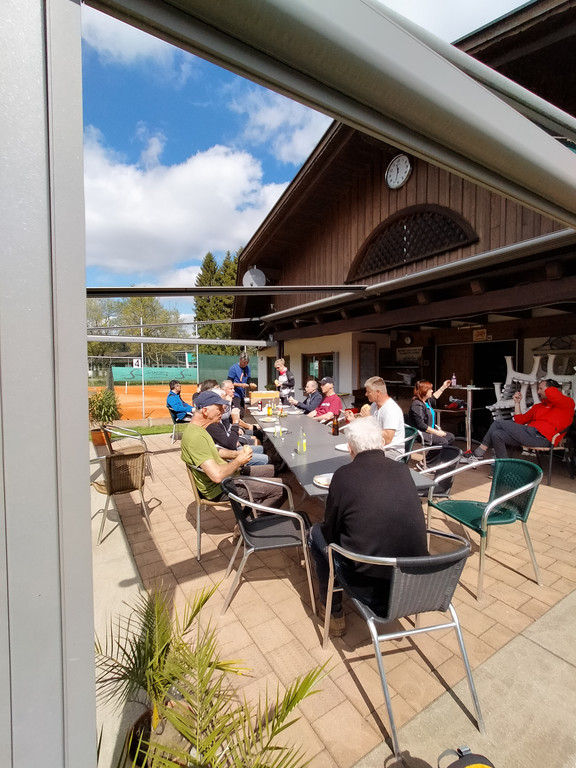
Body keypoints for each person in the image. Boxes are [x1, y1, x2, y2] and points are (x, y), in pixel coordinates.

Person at [309, 417, 428, 636]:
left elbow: (330, 531)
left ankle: (333, 612)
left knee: (316, 533)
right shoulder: (402, 470)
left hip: (368, 587)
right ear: (381, 443)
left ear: (350, 448)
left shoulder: (343, 475)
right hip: (414, 580)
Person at [181, 390, 284, 507]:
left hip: (229, 476)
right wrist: (239, 461)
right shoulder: (196, 437)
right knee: (282, 488)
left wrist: (236, 454)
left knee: (273, 470)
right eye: (219, 408)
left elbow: (215, 452)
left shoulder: (199, 429)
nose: (223, 410)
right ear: (205, 411)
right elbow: (217, 475)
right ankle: (250, 518)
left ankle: (257, 506)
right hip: (221, 488)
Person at [471, 378, 575, 460]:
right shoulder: (538, 407)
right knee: (497, 434)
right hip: (529, 434)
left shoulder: (567, 404)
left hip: (544, 439)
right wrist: (517, 403)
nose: (538, 391)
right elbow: (519, 421)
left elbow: (554, 394)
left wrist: (551, 387)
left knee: (498, 423)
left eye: (541, 389)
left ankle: (478, 453)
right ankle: (504, 466)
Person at [347, 377, 405, 459]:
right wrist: (353, 419)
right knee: (351, 451)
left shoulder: (391, 409)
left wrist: (368, 419)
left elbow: (387, 439)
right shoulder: (374, 405)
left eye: (368, 392)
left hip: (391, 450)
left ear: (377, 392)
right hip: (375, 447)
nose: (366, 394)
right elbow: (366, 425)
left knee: (361, 458)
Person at [408, 379, 454, 463]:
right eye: (430, 389)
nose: (432, 391)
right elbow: (421, 425)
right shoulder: (417, 404)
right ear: (424, 391)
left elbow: (434, 397)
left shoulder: (426, 402)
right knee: (442, 442)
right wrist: (437, 432)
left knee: (450, 437)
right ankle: (427, 463)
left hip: (429, 431)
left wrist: (444, 387)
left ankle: (441, 460)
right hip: (420, 433)